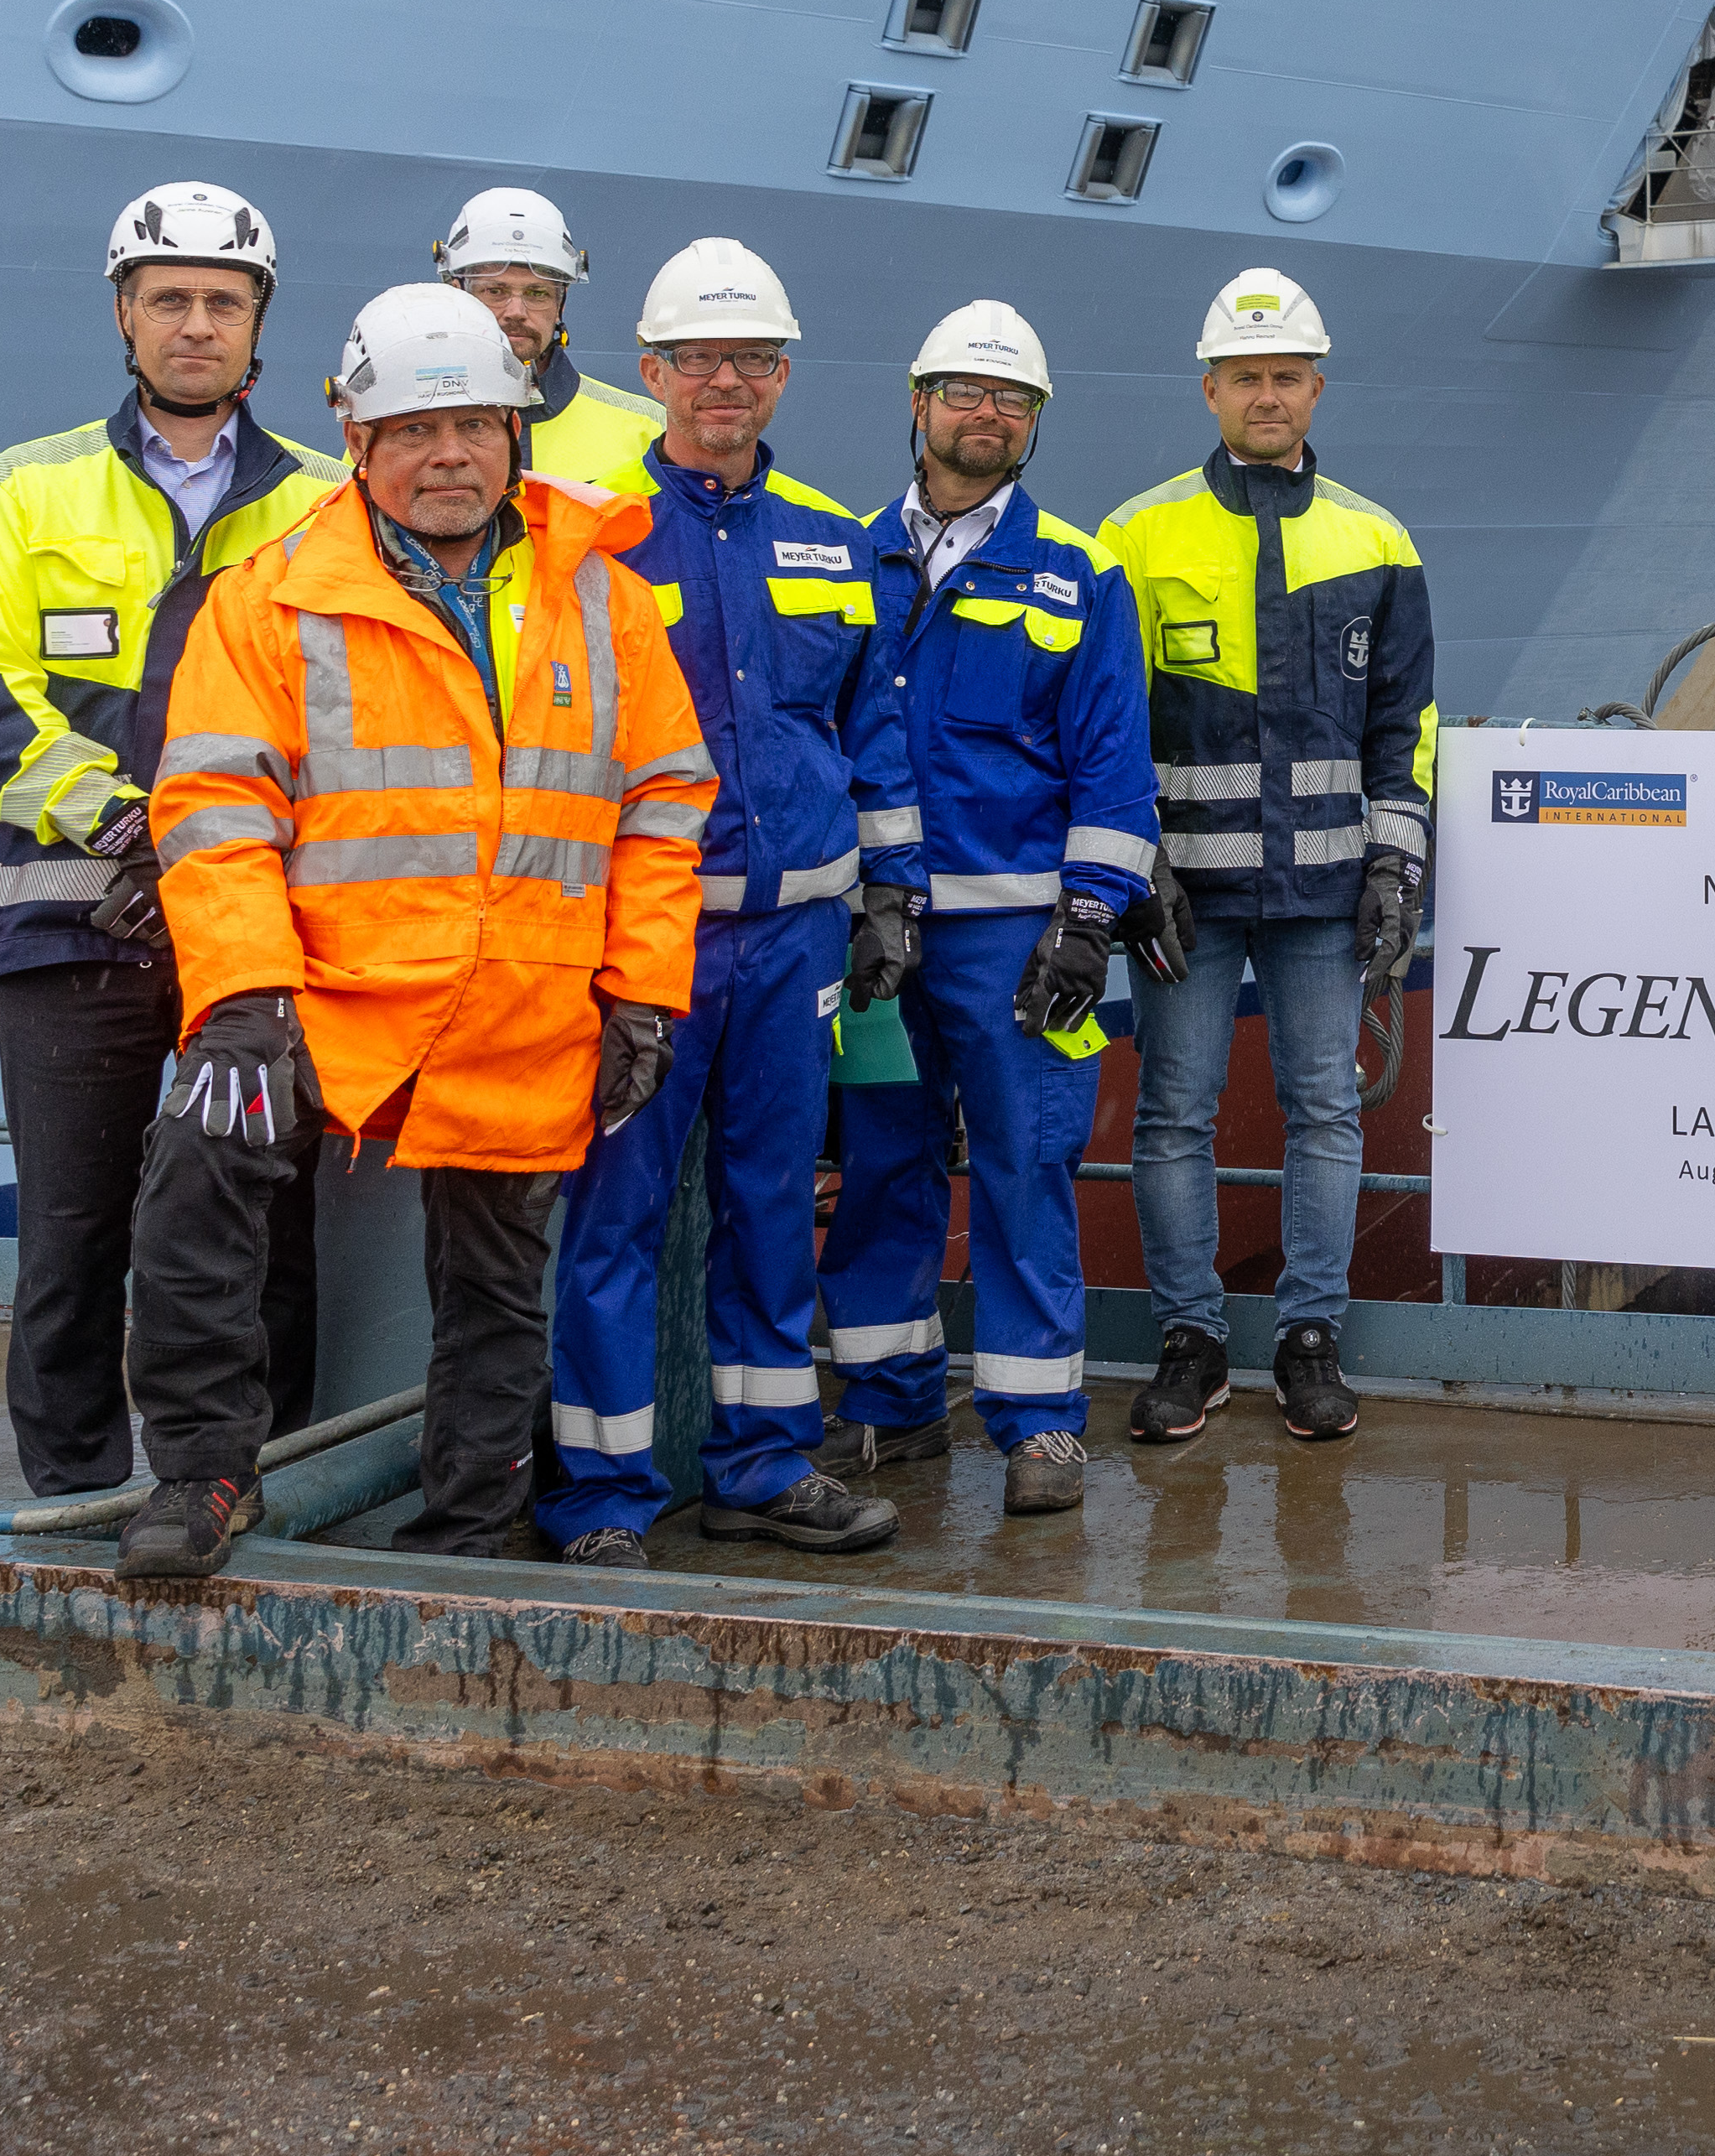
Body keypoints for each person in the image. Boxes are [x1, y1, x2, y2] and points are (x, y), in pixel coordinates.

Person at [115, 282, 712, 1580]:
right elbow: (214, 809)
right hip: (327, 996)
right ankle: (205, 1475)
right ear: (359, 444)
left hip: (526, 1000)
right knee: (197, 1177)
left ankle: (466, 1529)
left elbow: (665, 806)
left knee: (499, 1285)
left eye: (477, 430)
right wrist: (242, 999)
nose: (451, 457)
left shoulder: (603, 602)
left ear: (517, 436)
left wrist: (642, 994)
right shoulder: (268, 601)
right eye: (415, 433)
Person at [0, 183, 338, 1495]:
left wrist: (219, 847)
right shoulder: (25, 483)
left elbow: (347, 701)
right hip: (75, 920)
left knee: (262, 1223)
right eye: (169, 298)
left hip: (256, 932)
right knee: (72, 1230)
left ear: (258, 322)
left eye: (223, 302)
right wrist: (126, 819)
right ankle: (74, 1493)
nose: (195, 324)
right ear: (125, 313)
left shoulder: (328, 504)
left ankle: (250, 1481)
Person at [534, 244, 908, 1567]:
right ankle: (600, 1493)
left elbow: (873, 725)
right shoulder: (592, 539)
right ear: (653, 375)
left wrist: (892, 894)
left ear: (785, 375)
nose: (726, 382)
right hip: (649, 936)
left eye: (752, 359)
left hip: (797, 940)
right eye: (699, 360)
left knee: (768, 1210)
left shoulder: (831, 538)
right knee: (617, 1215)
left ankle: (761, 1466)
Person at [819, 300, 1160, 1514]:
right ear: (918, 405)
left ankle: (1039, 1426)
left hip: (1020, 937)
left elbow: (1116, 761)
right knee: (882, 1168)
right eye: (965, 391)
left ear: (1035, 426)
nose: (989, 413)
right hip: (880, 929)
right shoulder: (843, 556)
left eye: (1013, 400)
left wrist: (1087, 918)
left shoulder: (1083, 571)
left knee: (1027, 1165)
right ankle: (889, 1409)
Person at [1099, 270, 1437, 1450]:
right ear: (1210, 388)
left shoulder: (1377, 539)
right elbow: (1107, 726)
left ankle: (1309, 1341)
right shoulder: (1136, 537)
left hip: (1322, 892)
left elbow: (1407, 726)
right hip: (1183, 896)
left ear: (1316, 387)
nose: (1267, 396)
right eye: (1246, 377)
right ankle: (1190, 1344)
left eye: (1286, 376)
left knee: (1324, 1113)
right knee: (1173, 1116)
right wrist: (1134, 867)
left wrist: (1396, 867)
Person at [434, 184, 660, 493]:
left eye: (537, 293)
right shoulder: (393, 424)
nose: (516, 311)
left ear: (560, 304)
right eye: (495, 292)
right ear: (456, 294)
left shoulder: (648, 432)